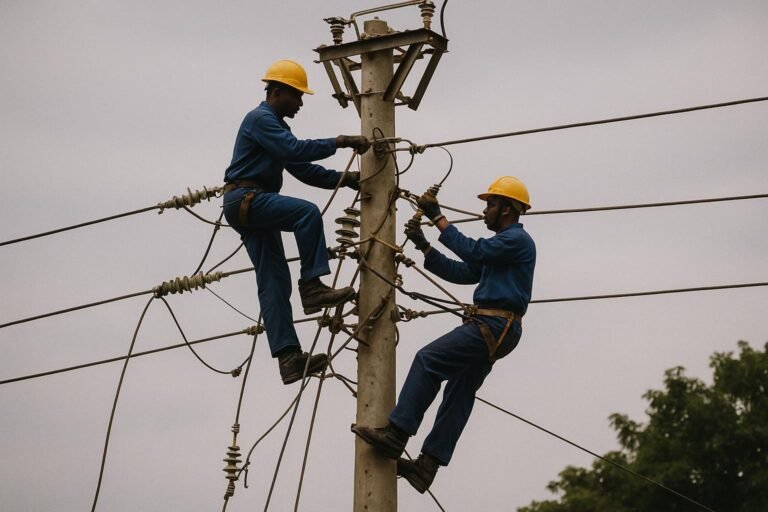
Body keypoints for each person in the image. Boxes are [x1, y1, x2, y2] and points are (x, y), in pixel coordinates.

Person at [351, 176, 536, 493]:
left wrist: (437, 217)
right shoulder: (502, 249)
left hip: (494, 325)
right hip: (500, 328)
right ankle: (427, 465)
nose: (484, 212)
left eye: (490, 205)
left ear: (507, 209)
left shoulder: (516, 240)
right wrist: (425, 246)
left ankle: (396, 434)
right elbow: (464, 272)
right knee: (459, 391)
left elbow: (474, 252)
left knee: (429, 360)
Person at [222, 59, 370, 385]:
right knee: (306, 213)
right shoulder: (261, 119)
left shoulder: (275, 127)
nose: (301, 103)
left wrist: (346, 180)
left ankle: (288, 358)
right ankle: (313, 287)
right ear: (277, 92)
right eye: (296, 96)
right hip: (247, 198)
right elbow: (295, 150)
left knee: (273, 280)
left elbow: (303, 168)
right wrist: (340, 142)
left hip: (246, 203)